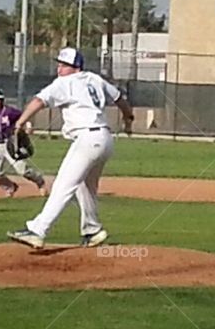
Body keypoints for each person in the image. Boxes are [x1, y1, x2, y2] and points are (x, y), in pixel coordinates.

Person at [7, 47, 134, 250]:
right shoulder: (95, 79)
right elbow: (120, 99)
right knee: (86, 188)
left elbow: (39, 101)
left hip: (87, 139)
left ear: (75, 67)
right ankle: (92, 230)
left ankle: (38, 230)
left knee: (62, 186)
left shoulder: (64, 83)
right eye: (59, 64)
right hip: (105, 139)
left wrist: (20, 122)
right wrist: (128, 121)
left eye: (64, 65)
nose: (59, 69)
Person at [0, 87, 47, 197]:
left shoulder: (10, 111)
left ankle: (40, 182)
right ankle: (10, 187)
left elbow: (25, 116)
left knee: (22, 170)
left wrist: (28, 126)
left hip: (11, 143)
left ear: (2, 101)